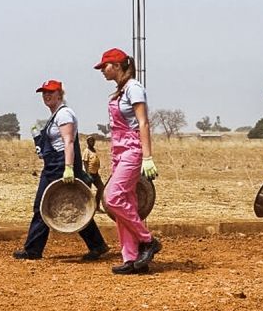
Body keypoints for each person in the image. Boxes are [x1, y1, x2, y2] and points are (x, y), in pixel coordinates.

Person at [13, 80, 110, 261]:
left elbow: (69, 142)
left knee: (43, 205)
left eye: (50, 92)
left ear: (60, 94)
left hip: (60, 166)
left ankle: (33, 250)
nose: (46, 95)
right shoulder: (55, 115)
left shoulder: (64, 114)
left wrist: (68, 168)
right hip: (52, 164)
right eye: (44, 93)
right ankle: (97, 245)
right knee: (75, 204)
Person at [94, 48, 160, 274]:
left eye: (105, 66)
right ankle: (132, 259)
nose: (103, 71)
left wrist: (147, 157)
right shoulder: (119, 91)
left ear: (118, 65)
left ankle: (147, 240)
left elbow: (143, 123)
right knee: (127, 202)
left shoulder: (134, 88)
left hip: (132, 150)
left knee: (112, 199)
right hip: (118, 150)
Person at [82, 136, 105, 212]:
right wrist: (88, 174)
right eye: (90, 141)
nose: (92, 142)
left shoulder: (94, 150)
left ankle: (97, 206)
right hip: (89, 174)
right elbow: (85, 162)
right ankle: (87, 208)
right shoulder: (86, 151)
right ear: (88, 142)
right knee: (88, 191)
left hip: (95, 174)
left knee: (101, 188)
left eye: (93, 141)